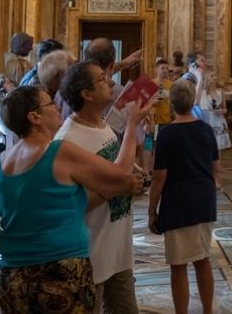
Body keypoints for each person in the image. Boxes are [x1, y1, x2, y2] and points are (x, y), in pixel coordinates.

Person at [0, 85, 147, 314]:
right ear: (35, 117)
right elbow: (120, 174)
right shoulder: (59, 152)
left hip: (13, 279)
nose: (57, 107)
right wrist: (131, 124)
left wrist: (18, 245)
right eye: (50, 103)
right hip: (61, 274)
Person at [56, 61, 146, 313]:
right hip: (89, 254)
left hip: (119, 249)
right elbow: (72, 204)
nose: (110, 82)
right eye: (101, 79)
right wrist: (121, 187)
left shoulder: (103, 125)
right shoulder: (67, 140)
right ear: (86, 94)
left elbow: (112, 167)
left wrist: (132, 175)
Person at [149, 80, 220, 314]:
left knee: (178, 265)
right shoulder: (206, 129)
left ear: (172, 104)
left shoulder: (167, 134)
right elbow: (215, 167)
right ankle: (208, 310)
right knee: (202, 259)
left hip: (177, 201)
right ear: (192, 102)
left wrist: (151, 211)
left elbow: (159, 177)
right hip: (204, 198)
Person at [36, 50, 76, 121]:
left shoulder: (57, 95)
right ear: (61, 75)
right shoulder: (69, 96)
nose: (78, 70)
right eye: (73, 67)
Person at [200, 67, 231, 151]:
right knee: (208, 147)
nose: (215, 77)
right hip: (209, 120)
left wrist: (223, 111)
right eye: (212, 75)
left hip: (219, 120)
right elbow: (202, 109)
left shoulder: (220, 92)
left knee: (219, 147)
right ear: (207, 77)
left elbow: (225, 109)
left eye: (215, 75)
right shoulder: (203, 93)